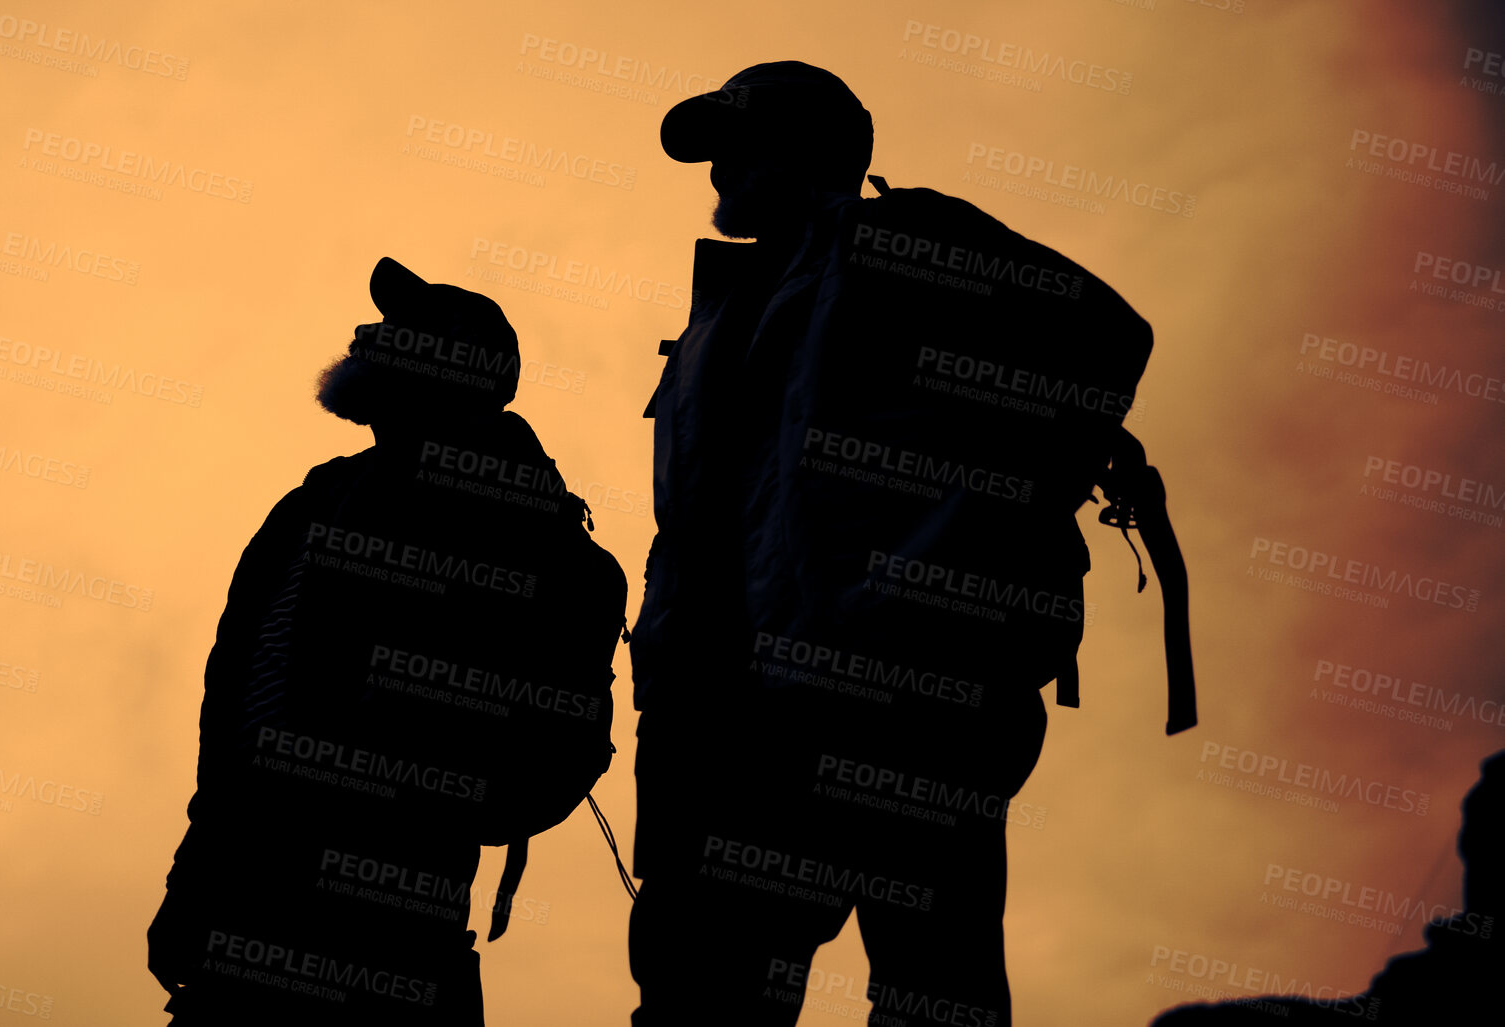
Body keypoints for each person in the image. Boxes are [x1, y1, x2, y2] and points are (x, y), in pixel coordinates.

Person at [628, 61, 1165, 1026]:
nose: (717, 170)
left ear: (803, 149)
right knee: (699, 997)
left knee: (932, 994)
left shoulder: (907, 238)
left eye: (738, 146)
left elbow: (1104, 339)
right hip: (718, 718)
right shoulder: (716, 313)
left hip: (900, 697)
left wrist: (957, 547)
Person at [150, 257, 625, 1025]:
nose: (368, 336)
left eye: (401, 330)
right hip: (244, 910)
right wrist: (194, 874)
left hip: (389, 932)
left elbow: (541, 739)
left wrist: (409, 796)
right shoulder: (313, 501)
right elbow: (235, 710)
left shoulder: (520, 521)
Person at [1151, 750, 1504, 1026]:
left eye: (1484, 842)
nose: (1471, 860)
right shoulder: (1424, 981)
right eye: (1474, 842)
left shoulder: (1436, 984)